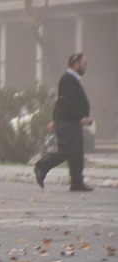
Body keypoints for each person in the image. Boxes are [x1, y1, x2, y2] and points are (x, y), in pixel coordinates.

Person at [34, 52, 93, 192]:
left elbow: (60, 101)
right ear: (76, 64)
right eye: (84, 64)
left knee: (77, 152)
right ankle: (41, 166)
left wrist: (54, 119)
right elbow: (66, 102)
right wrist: (81, 117)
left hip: (71, 122)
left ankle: (77, 182)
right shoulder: (68, 79)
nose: (86, 67)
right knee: (67, 151)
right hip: (67, 123)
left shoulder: (72, 79)